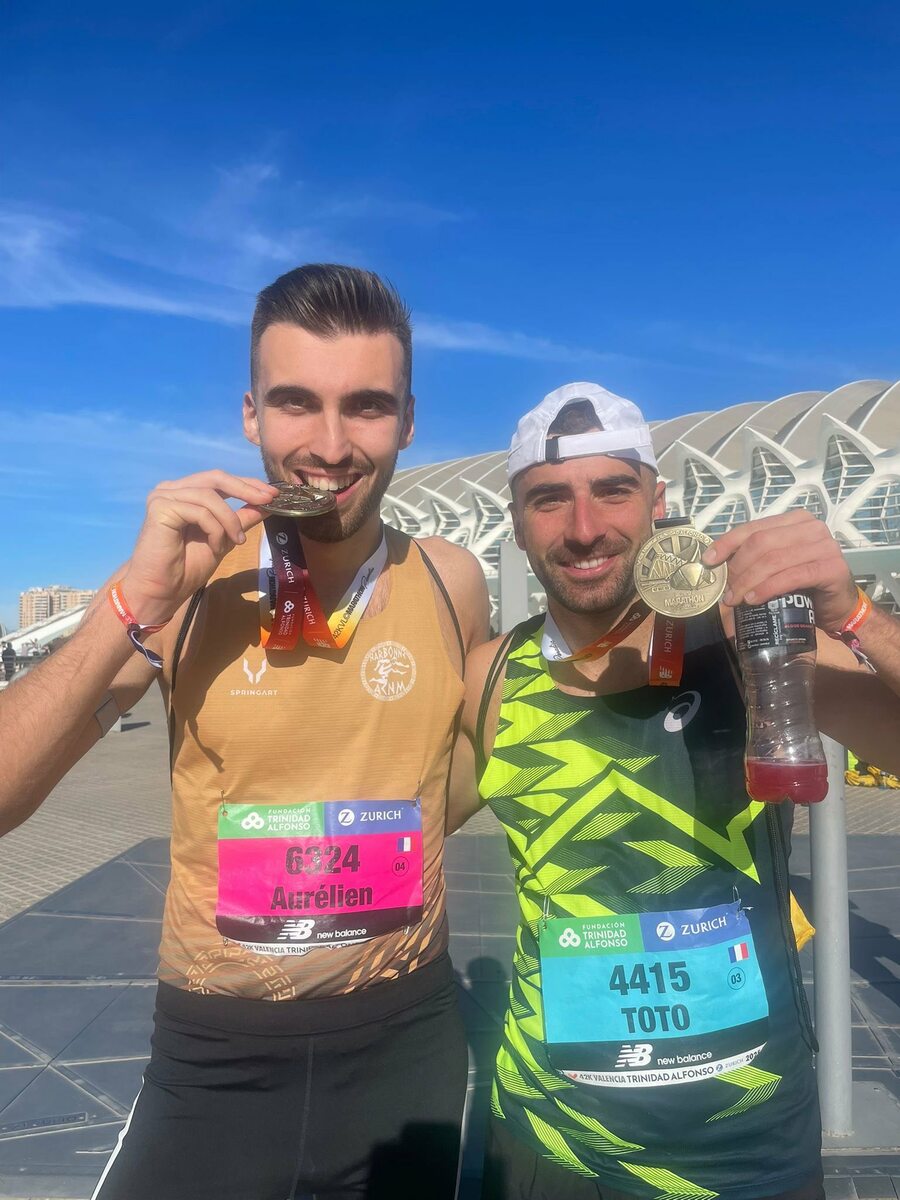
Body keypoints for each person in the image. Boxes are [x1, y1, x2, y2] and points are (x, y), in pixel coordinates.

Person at [0, 264, 490, 1200]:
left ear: (409, 422)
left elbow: (466, 767)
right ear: (251, 415)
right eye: (297, 402)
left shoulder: (450, 581)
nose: (331, 445)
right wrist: (130, 608)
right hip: (217, 1058)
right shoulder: (185, 587)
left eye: (367, 406)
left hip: (406, 1044)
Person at [451, 382, 900, 1200]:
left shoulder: (747, 644)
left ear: (658, 502)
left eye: (612, 490)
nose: (584, 527)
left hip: (746, 1149)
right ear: (515, 521)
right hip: (550, 1142)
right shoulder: (492, 678)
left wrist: (855, 614)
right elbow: (398, 822)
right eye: (549, 500)